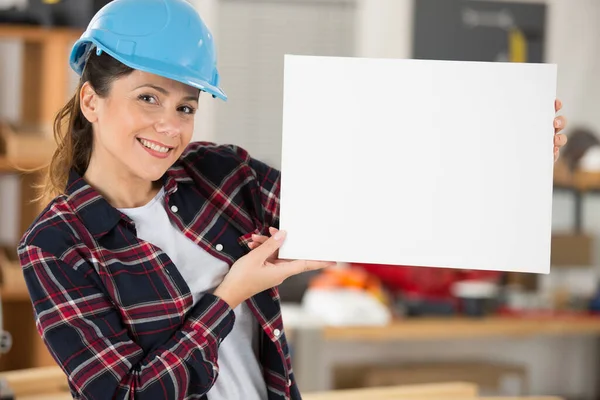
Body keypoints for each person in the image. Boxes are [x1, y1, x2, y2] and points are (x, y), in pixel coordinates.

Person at [16, 0, 567, 399]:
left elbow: (373, 204)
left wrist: (507, 160)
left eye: (185, 106)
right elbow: (128, 394)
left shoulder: (221, 174)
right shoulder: (57, 245)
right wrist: (230, 295)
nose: (169, 125)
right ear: (91, 100)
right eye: (148, 97)